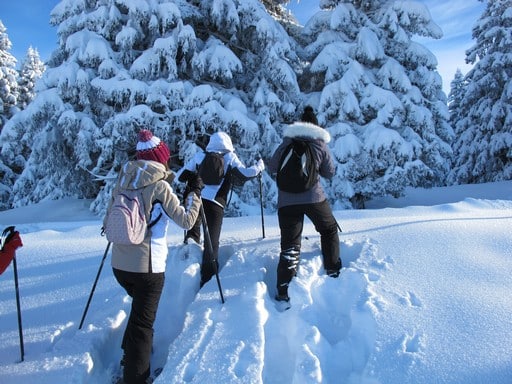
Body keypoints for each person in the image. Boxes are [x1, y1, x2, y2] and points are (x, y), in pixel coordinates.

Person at [104, 129, 203, 384]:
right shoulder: (160, 186)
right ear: (162, 158)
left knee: (139, 318)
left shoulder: (123, 180)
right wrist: (194, 194)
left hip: (119, 265)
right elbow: (187, 220)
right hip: (147, 269)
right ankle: (136, 378)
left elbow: (108, 219)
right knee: (142, 325)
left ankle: (132, 358)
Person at [268, 106, 342, 304]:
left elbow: (273, 166)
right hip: (314, 198)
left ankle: (283, 289)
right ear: (316, 125)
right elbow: (330, 172)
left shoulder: (287, 142)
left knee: (290, 245)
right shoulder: (319, 144)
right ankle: (333, 270)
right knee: (328, 229)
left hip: (287, 202)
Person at [177, 131, 264, 287]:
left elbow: (181, 176)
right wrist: (259, 166)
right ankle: (207, 278)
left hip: (197, 200)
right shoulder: (229, 157)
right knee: (212, 242)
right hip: (216, 204)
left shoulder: (200, 156)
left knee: (193, 231)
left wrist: (195, 178)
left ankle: (188, 264)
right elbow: (245, 175)